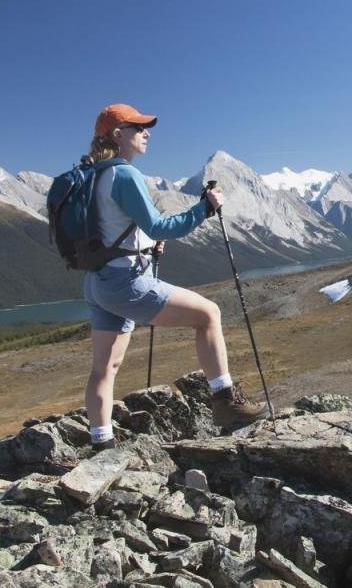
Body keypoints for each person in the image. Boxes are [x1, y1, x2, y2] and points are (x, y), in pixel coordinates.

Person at [83, 103, 266, 451]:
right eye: (138, 128)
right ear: (118, 134)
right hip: (126, 284)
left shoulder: (93, 176)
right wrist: (205, 207)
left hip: (97, 283)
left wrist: (146, 247)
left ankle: (101, 443)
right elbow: (158, 225)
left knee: (105, 367)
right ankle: (225, 401)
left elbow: (110, 232)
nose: (146, 132)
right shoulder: (123, 175)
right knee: (209, 314)